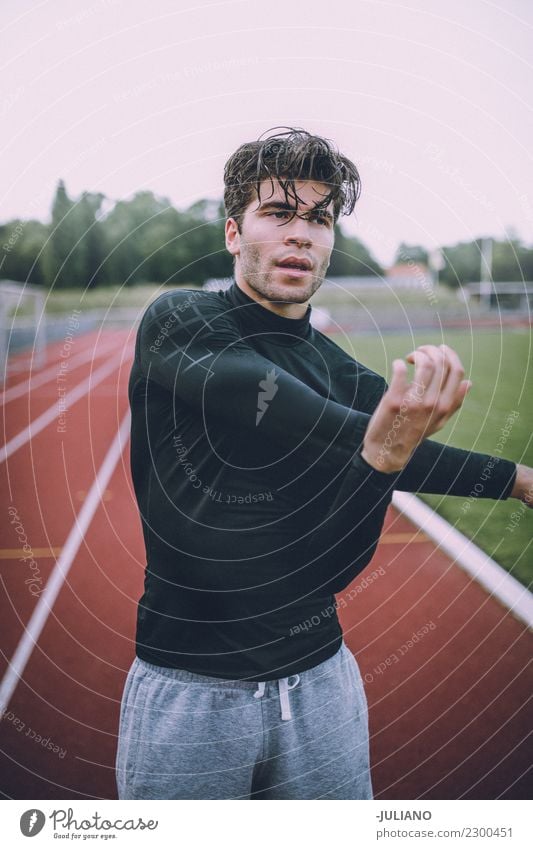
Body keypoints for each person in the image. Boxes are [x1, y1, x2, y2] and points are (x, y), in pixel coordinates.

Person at [116, 127, 532, 800]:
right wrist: (382, 439)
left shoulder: (333, 367)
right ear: (233, 233)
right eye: (278, 213)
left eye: (318, 217)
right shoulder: (179, 321)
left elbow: (409, 457)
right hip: (190, 692)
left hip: (320, 685)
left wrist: (515, 480)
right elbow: (268, 400)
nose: (300, 234)